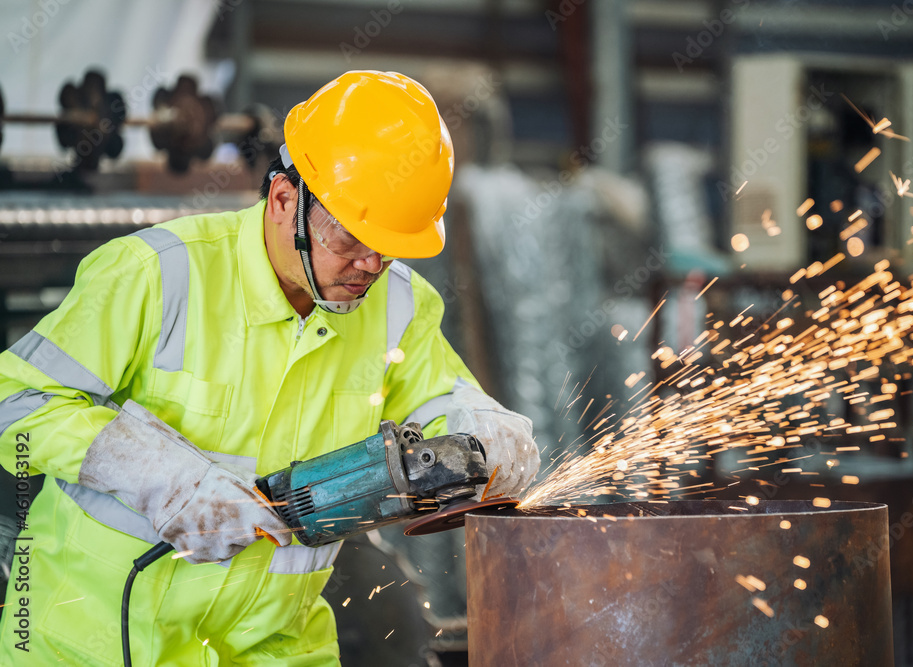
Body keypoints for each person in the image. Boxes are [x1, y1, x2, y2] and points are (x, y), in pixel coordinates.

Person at [0, 70, 539, 665]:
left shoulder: (399, 306)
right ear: (284, 199)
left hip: (276, 648)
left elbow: (441, 398)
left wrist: (486, 432)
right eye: (352, 238)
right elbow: (15, 403)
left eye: (389, 247)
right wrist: (160, 476)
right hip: (99, 644)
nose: (371, 264)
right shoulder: (156, 275)